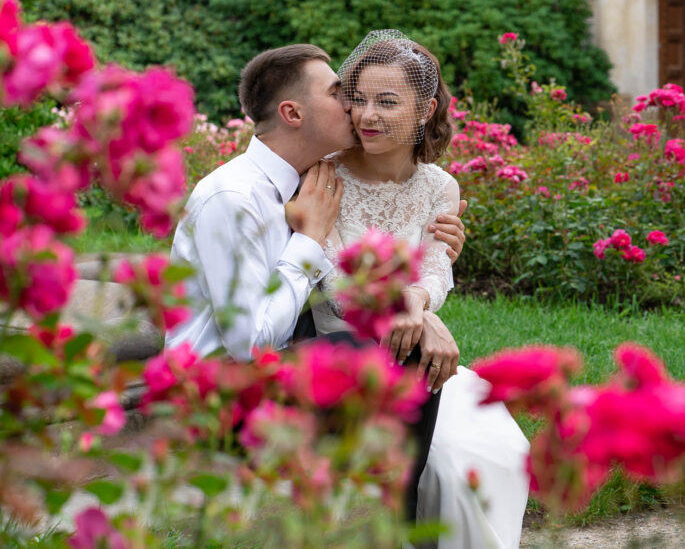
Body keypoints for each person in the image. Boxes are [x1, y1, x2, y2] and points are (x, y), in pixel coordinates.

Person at [165, 43, 467, 520]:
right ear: (292, 112)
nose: (354, 107)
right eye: (340, 93)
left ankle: (384, 520)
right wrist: (309, 239)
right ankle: (390, 525)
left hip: (280, 364)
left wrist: (421, 293)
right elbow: (250, 344)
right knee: (388, 353)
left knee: (395, 356)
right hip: (219, 393)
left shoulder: (297, 183)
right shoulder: (235, 197)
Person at [309, 31, 529, 549]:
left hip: (414, 355)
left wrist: (419, 304)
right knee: (447, 463)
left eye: (387, 102)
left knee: (493, 451)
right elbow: (336, 286)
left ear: (425, 109)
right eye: (358, 99)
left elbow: (434, 271)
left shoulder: (440, 187)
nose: (367, 115)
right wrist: (410, 312)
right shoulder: (325, 175)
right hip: (346, 355)